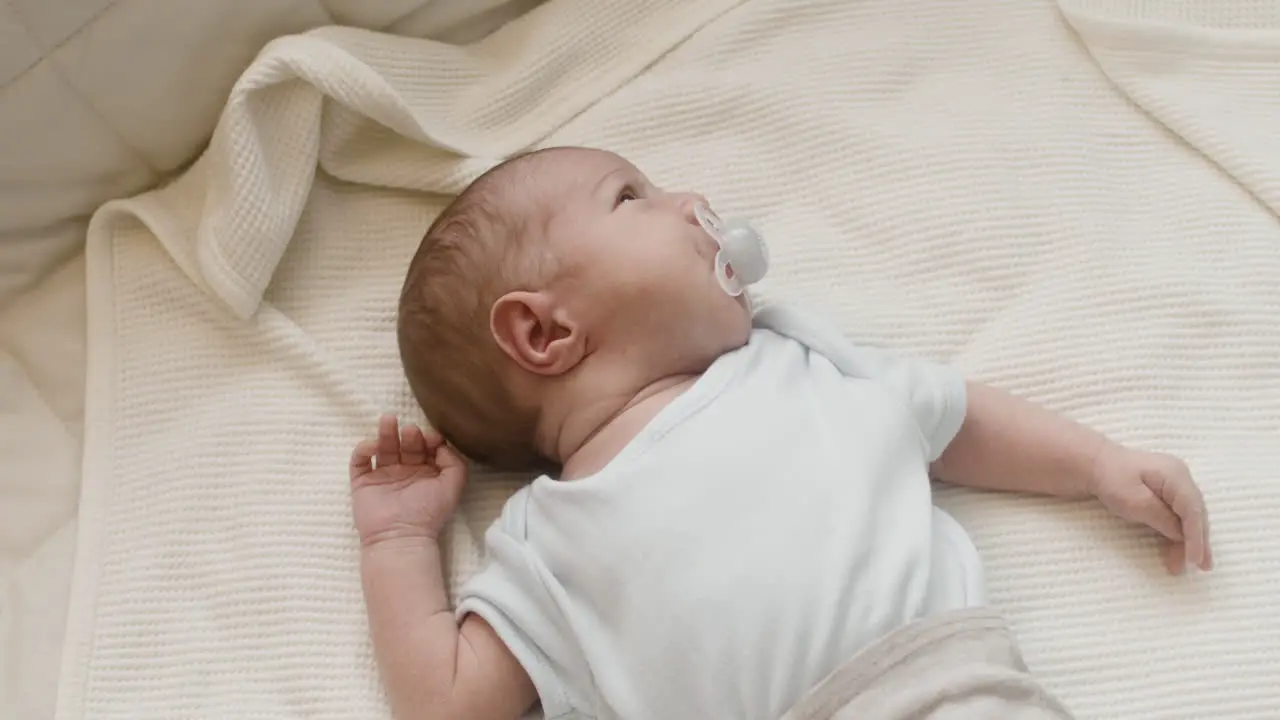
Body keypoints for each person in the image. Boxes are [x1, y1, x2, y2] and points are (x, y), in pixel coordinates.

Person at [349, 147, 1213, 720]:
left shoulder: (796, 355)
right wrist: (398, 541)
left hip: (947, 687)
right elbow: (448, 702)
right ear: (545, 334)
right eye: (632, 196)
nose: (691, 200)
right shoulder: (549, 543)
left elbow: (955, 418)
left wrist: (1096, 463)